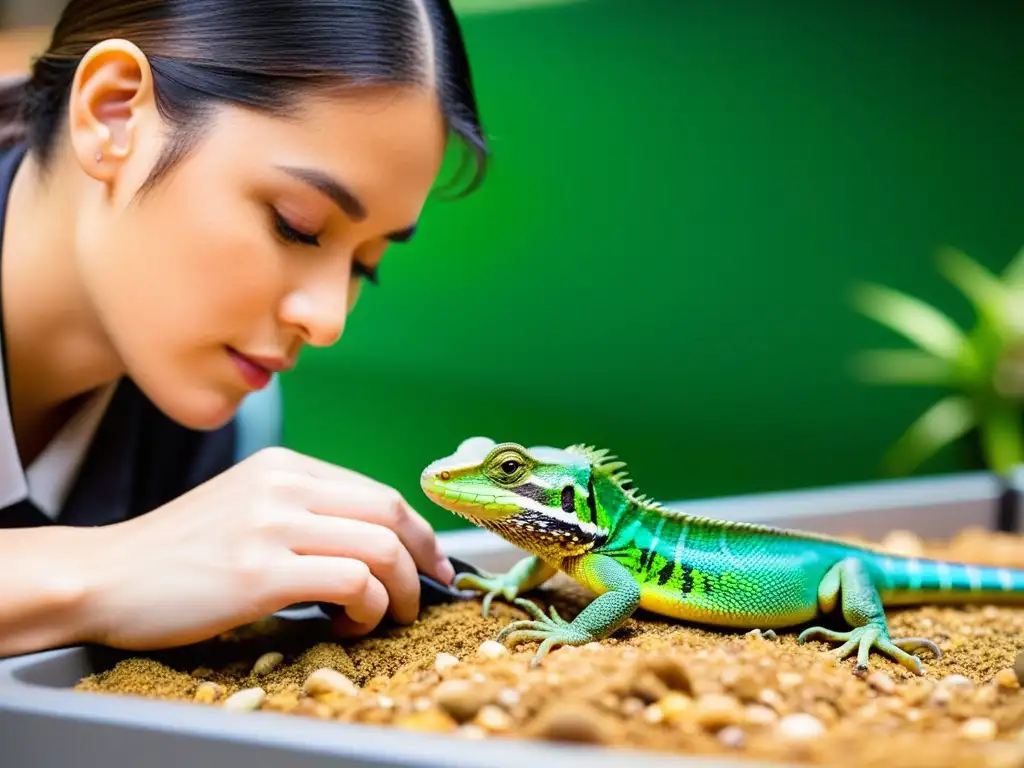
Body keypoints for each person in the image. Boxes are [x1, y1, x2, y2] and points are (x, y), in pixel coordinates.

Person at [0, 0, 487, 658]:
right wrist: (102, 571)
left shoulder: (231, 421)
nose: (326, 321)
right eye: (297, 224)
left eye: (364, 267)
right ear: (113, 112)